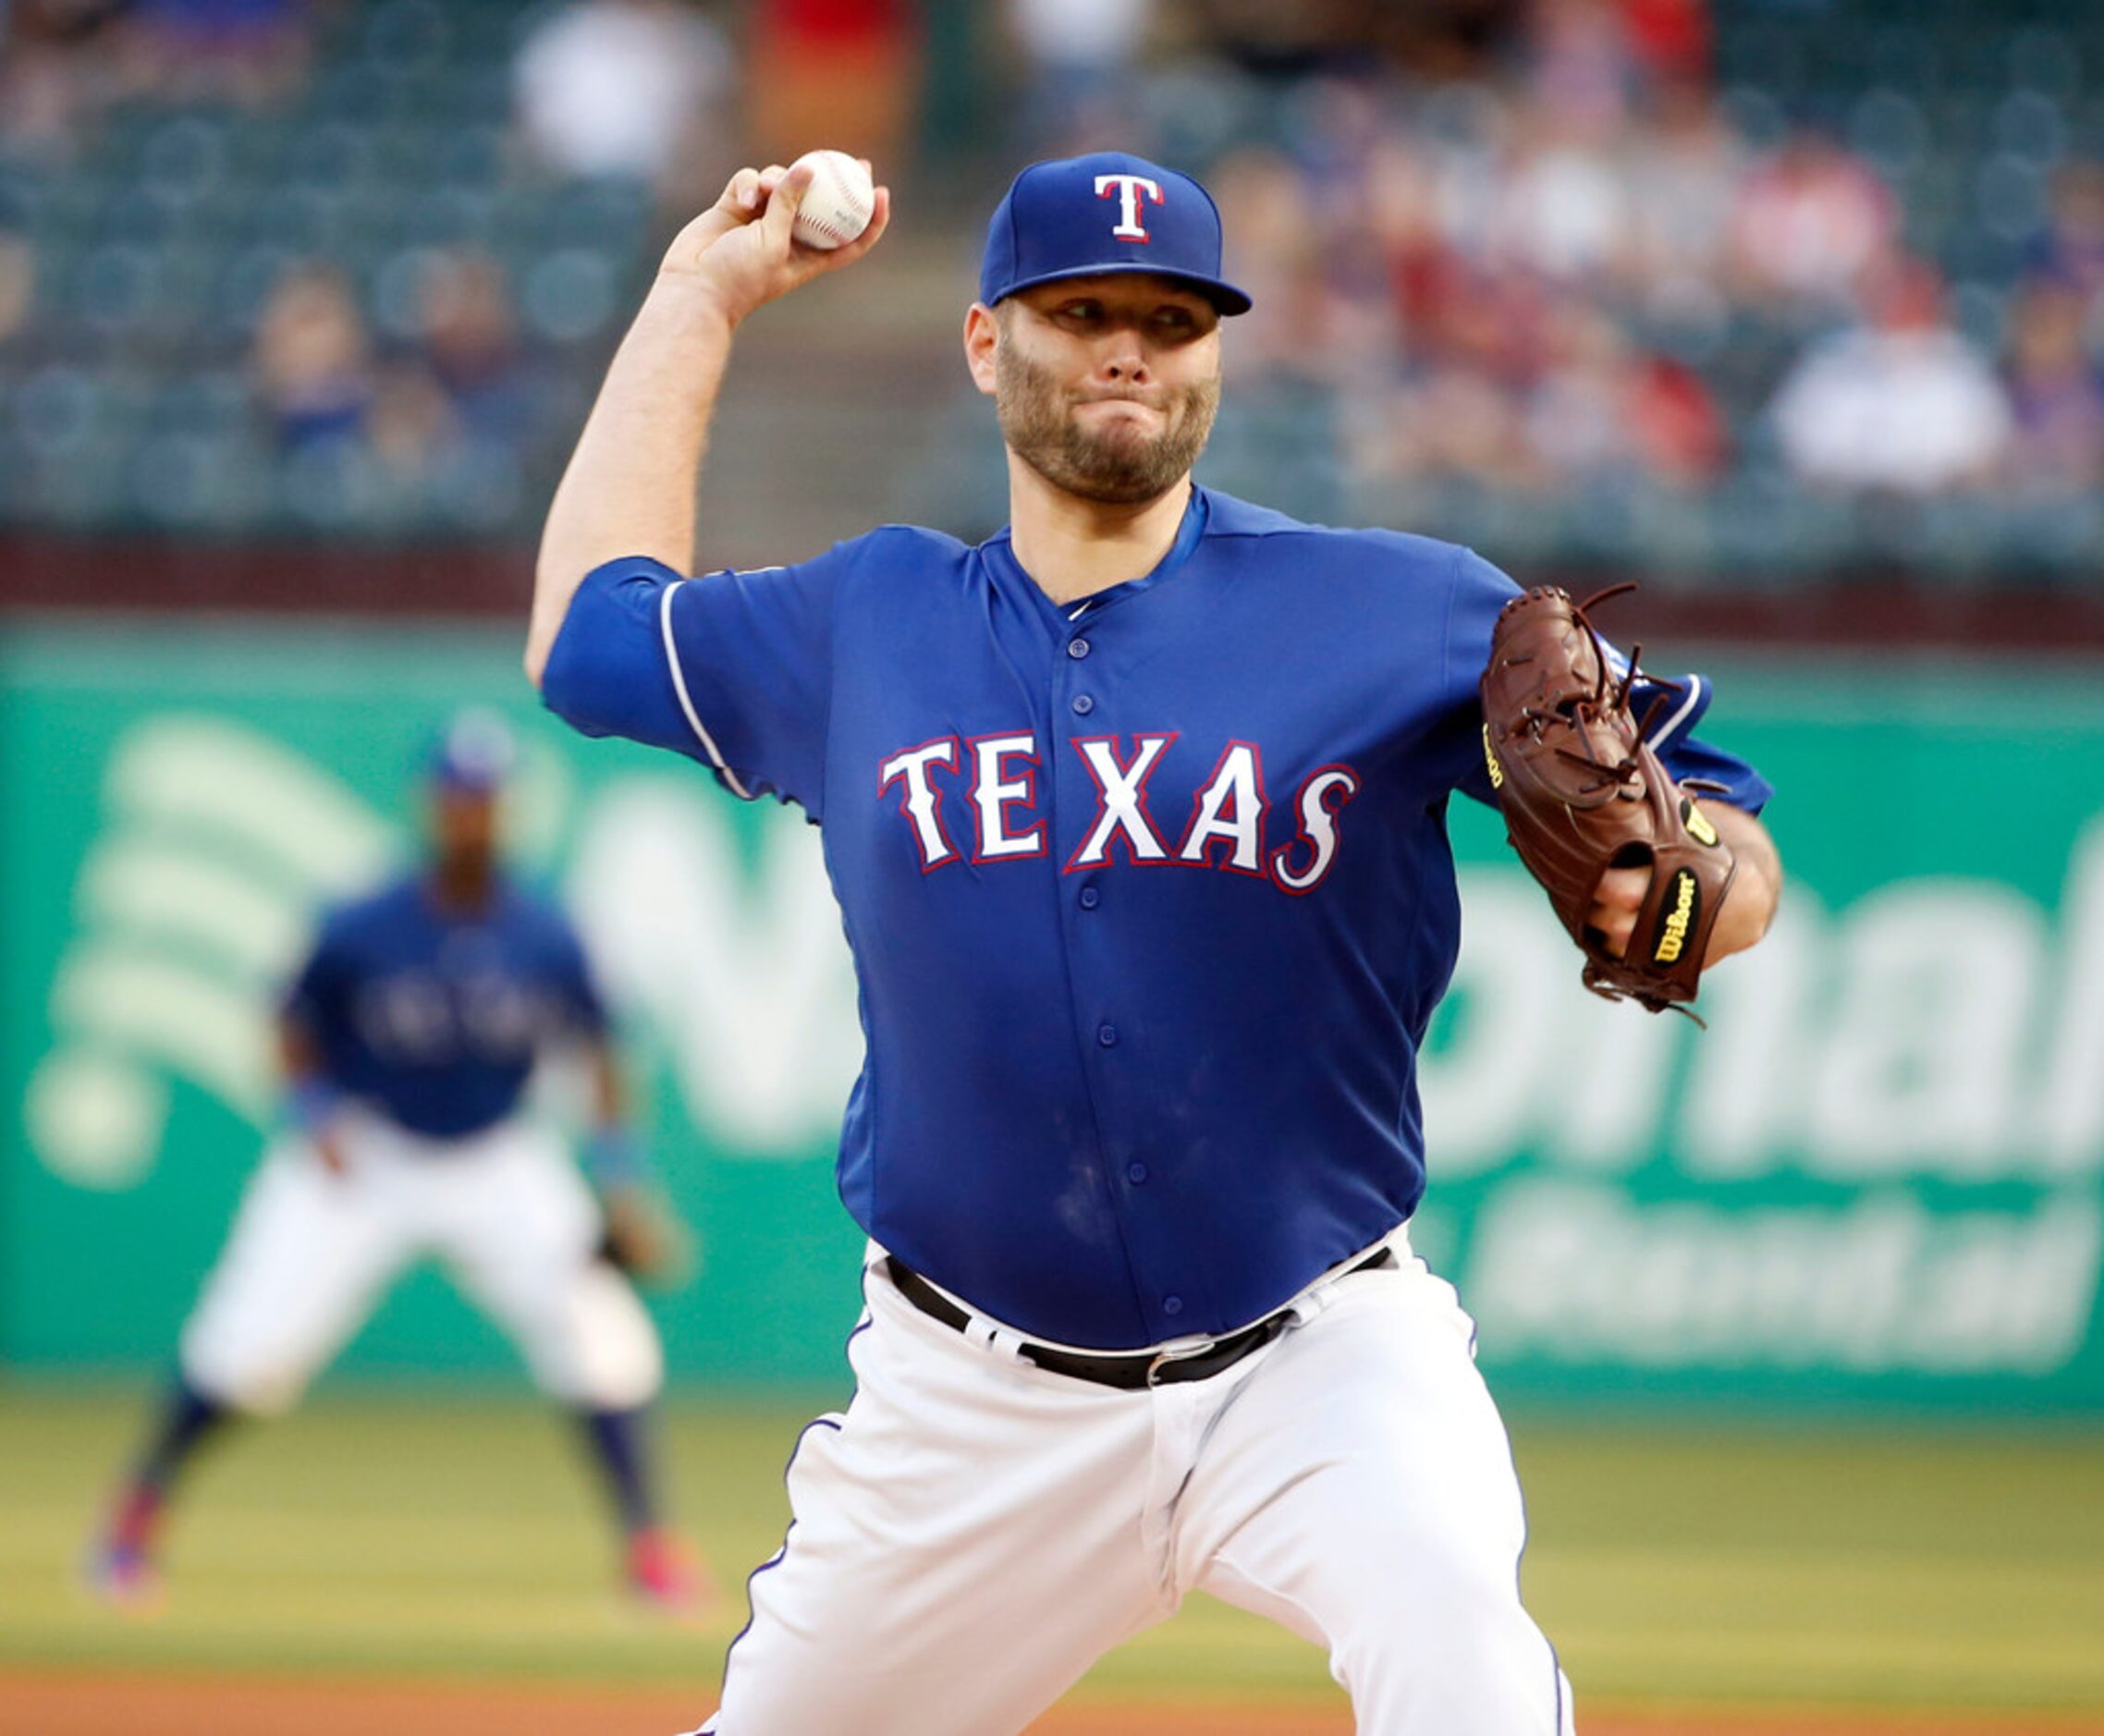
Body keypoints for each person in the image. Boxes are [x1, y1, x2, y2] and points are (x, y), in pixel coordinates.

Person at [526, 151, 1783, 1732]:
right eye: (1084, 310)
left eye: (1175, 319)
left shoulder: (1401, 609)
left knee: (1459, 1650)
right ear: (988, 341)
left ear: (1216, 354)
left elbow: (1717, 831)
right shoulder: (862, 622)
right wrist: (697, 294)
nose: (1131, 346)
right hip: (966, 1402)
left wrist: (1693, 889)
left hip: (1319, 1361)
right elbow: (584, 636)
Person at [88, 711, 707, 1615]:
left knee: (602, 1340)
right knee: (244, 1350)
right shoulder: (364, 921)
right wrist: (313, 1112)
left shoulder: (546, 928)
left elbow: (604, 1053)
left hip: (497, 1159)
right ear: (430, 805)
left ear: (508, 809)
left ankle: (650, 1549)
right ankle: (132, 1521)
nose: (472, 816)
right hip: (364, 1159)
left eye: (486, 799)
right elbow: (292, 1020)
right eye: (458, 798)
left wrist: (620, 1177)